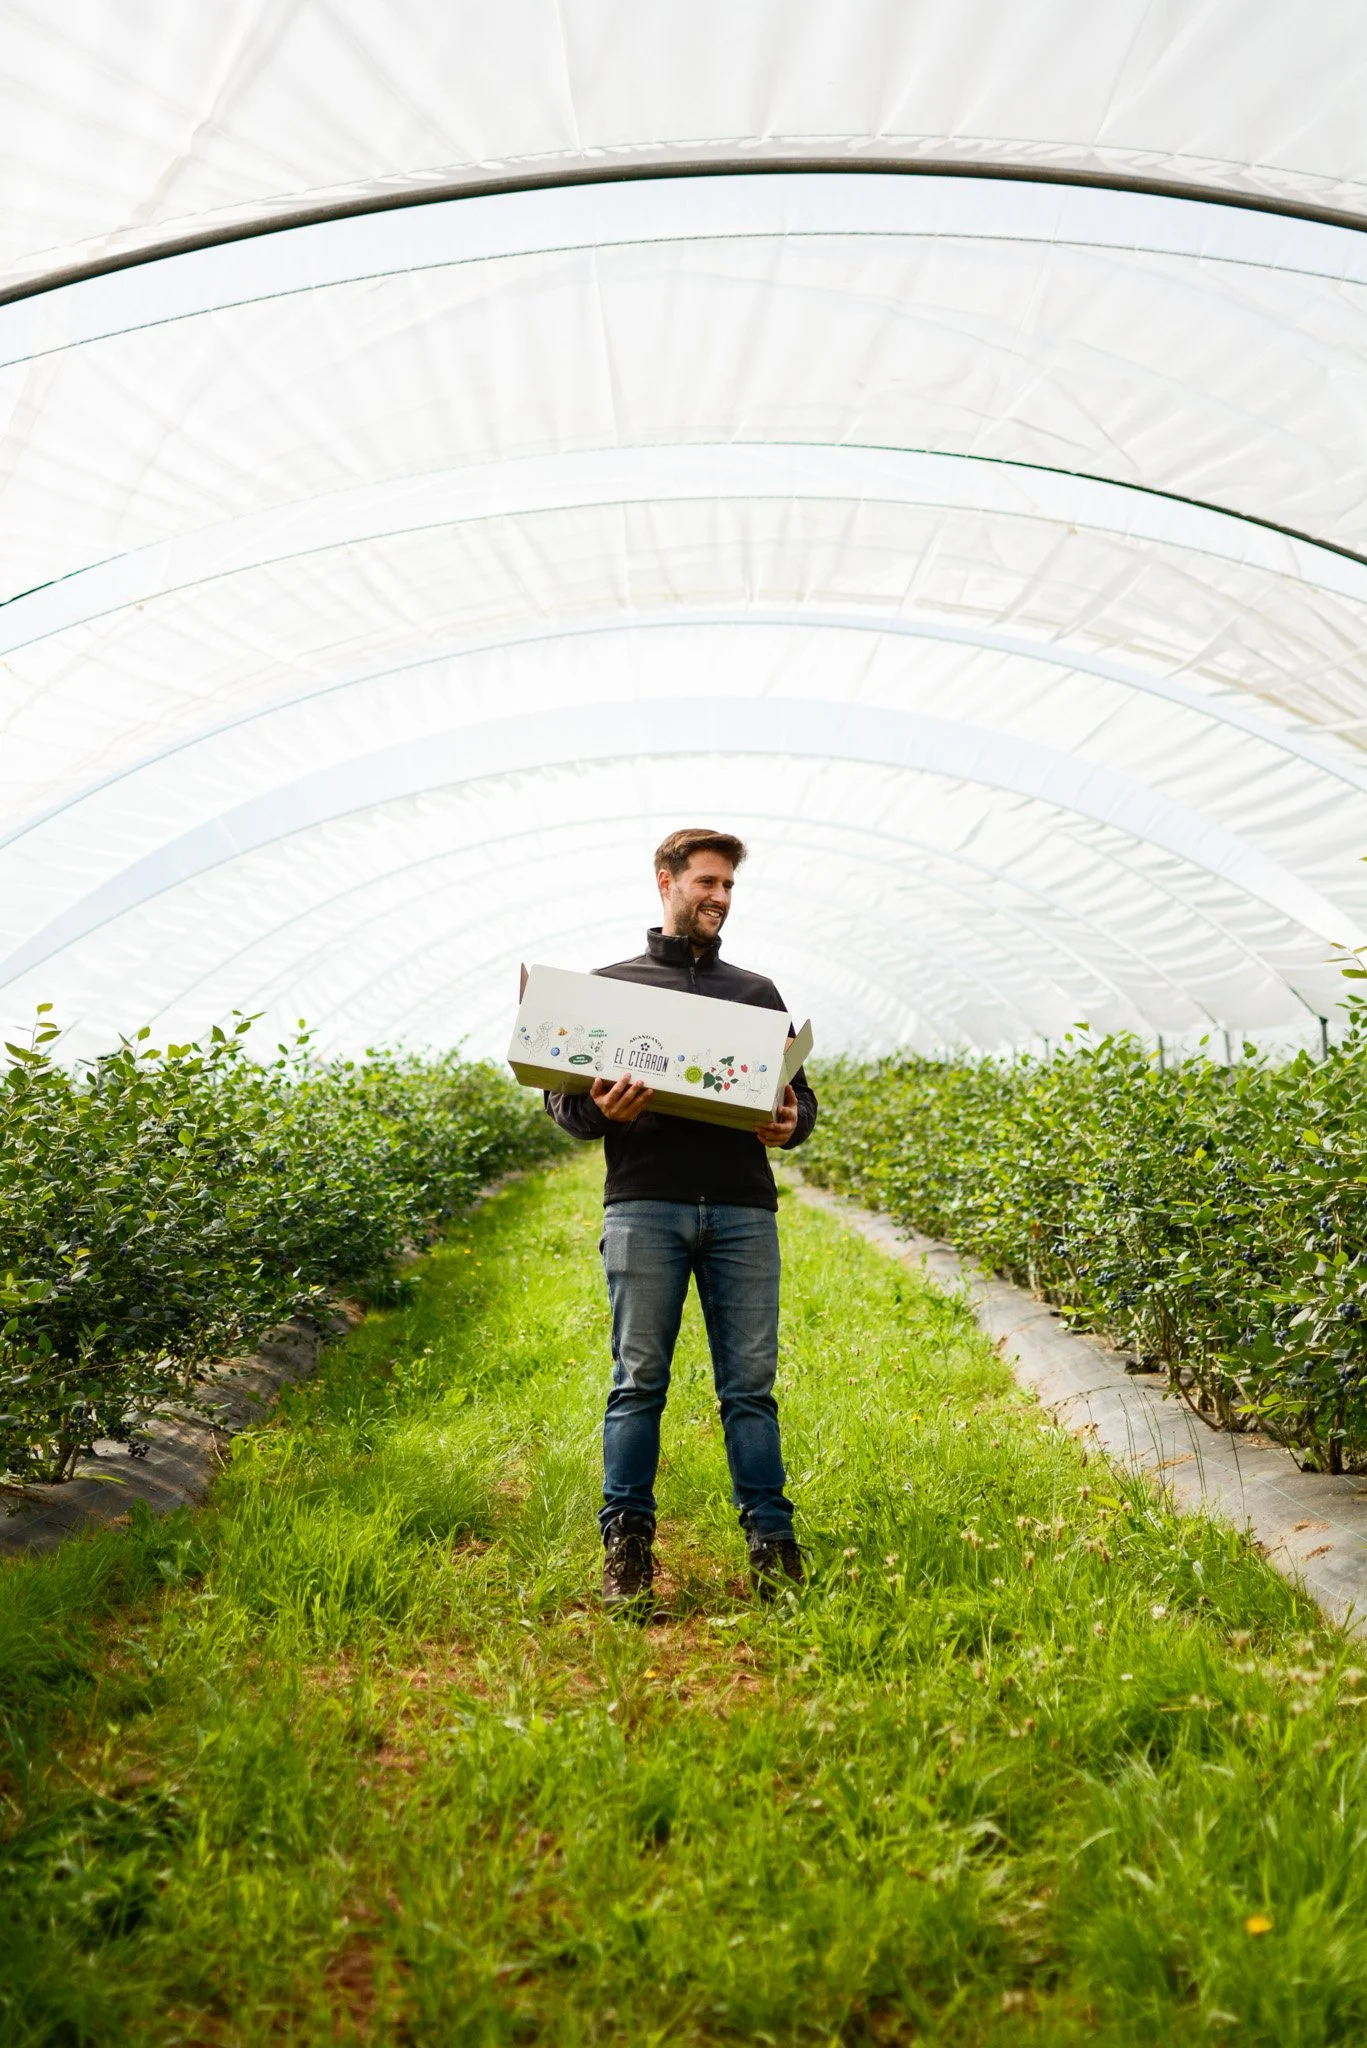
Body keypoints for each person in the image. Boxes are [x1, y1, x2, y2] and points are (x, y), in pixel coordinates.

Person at [545, 828, 818, 1611]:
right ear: (664, 881)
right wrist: (600, 1109)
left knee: (750, 1391)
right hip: (644, 1206)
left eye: (729, 887)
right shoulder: (609, 990)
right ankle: (626, 1549)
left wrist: (787, 1122)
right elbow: (565, 1107)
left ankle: (772, 1547)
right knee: (637, 1385)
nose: (719, 899)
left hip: (741, 1211)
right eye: (706, 883)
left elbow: (802, 1106)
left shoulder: (755, 994)